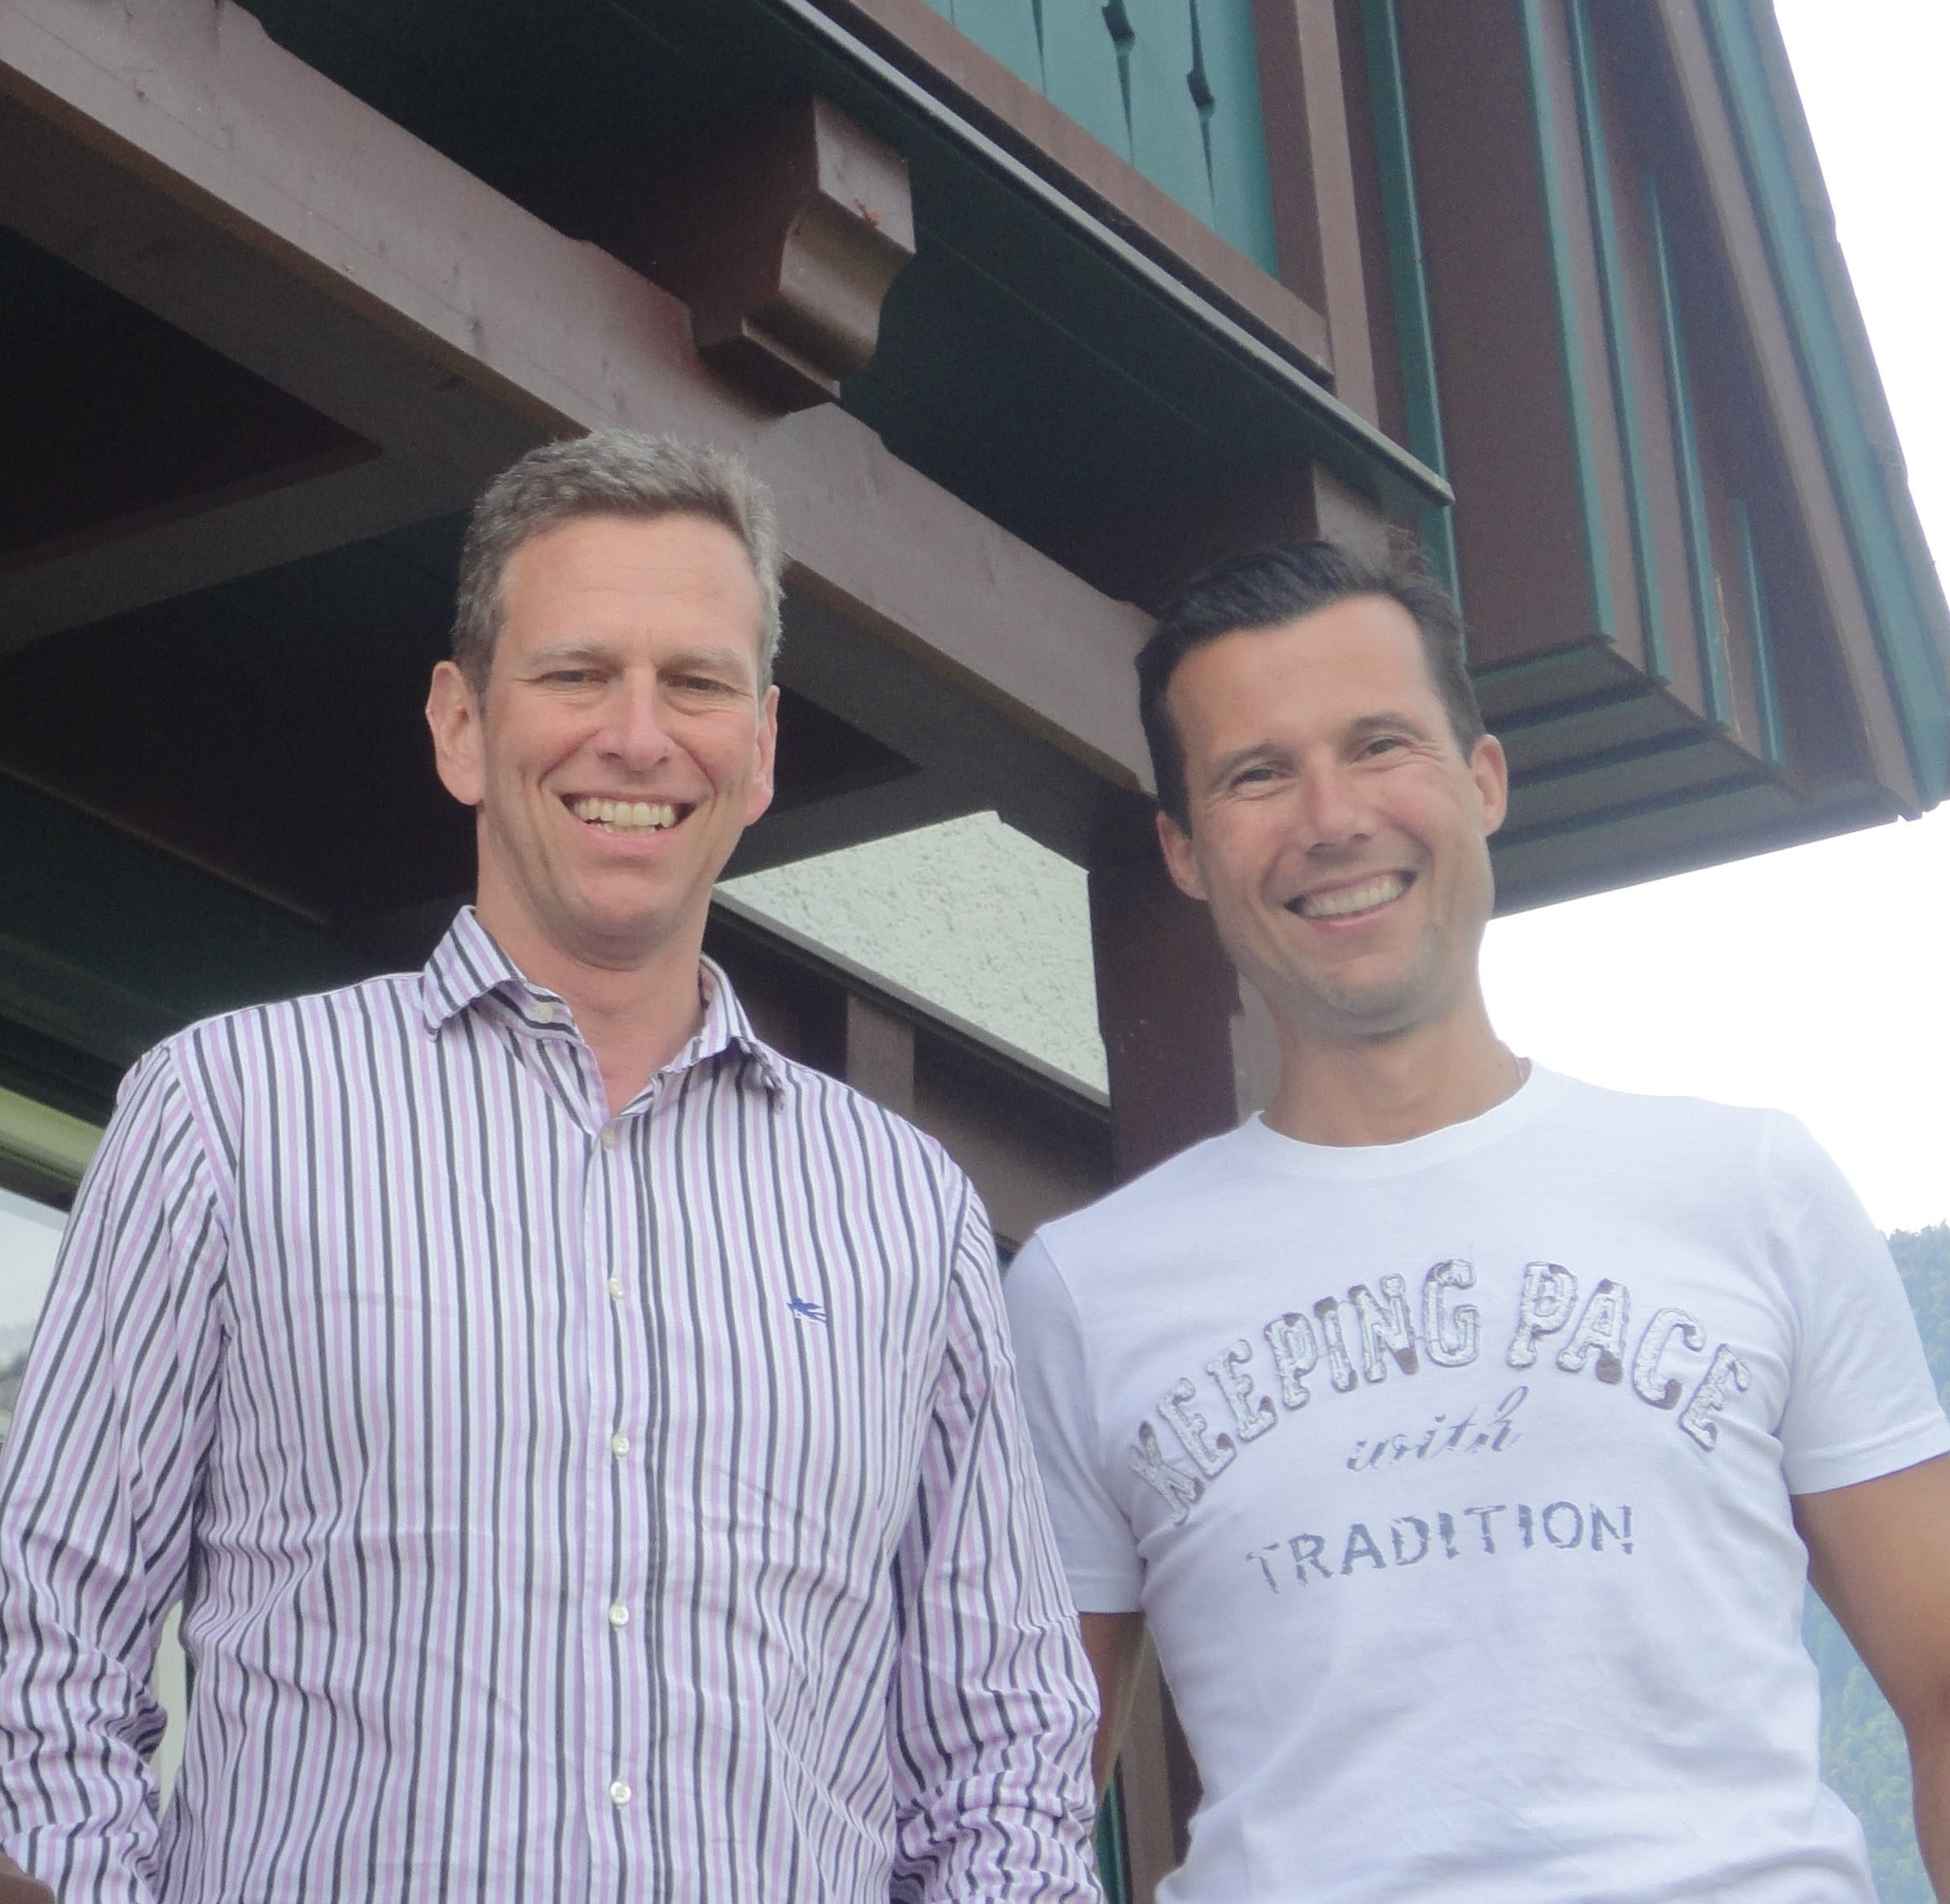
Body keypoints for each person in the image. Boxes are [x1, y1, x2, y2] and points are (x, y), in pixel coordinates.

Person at [0, 429, 1102, 1902]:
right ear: (460, 725)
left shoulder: (905, 1209)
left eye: (695, 682)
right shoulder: (230, 1114)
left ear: (761, 748)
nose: (638, 736)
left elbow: (1006, 1749)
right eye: (578, 672)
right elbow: (41, 1652)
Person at [1004, 539, 1950, 1902]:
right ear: (1185, 851)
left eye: (1377, 744)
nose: (1330, 817)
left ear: (1484, 779)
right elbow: (1019, 1803)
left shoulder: (1749, 1186)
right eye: (1257, 774)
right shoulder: (1084, 1293)